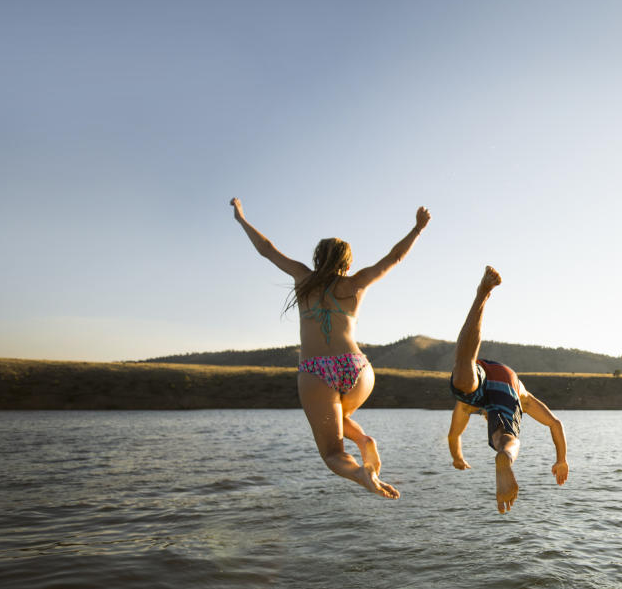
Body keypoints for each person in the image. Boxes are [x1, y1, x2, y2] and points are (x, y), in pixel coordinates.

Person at [231, 197, 429, 497]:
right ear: (347, 263)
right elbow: (394, 257)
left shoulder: (302, 278)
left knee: (332, 452)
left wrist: (242, 219)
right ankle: (363, 441)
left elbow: (267, 249)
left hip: (315, 371)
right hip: (358, 368)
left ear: (316, 259)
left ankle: (361, 473)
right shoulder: (356, 283)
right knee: (339, 416)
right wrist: (417, 229)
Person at [448, 266, 569, 514]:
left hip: (481, 375)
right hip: (510, 383)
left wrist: (457, 458)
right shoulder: (523, 398)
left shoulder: (467, 405)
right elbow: (555, 423)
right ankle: (505, 454)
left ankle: (482, 296)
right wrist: (561, 459)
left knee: (464, 368)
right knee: (505, 437)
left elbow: (454, 437)